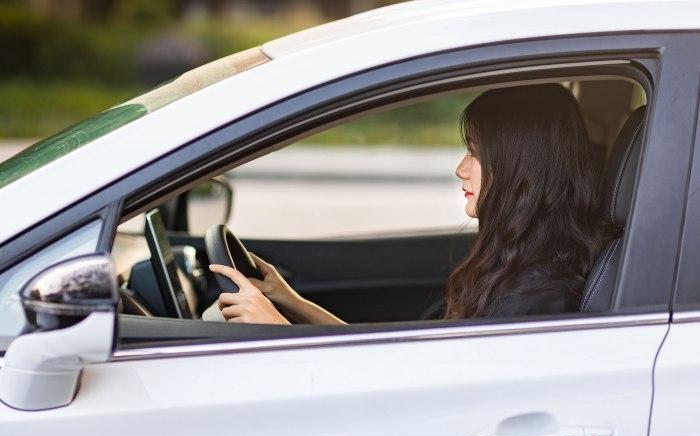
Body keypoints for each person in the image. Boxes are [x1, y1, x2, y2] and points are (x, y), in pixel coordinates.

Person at [208, 83, 608, 324]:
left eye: (476, 153)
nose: (460, 169)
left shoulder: (532, 296)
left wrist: (278, 329)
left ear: (521, 166)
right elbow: (401, 363)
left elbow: (410, 388)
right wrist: (292, 304)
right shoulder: (522, 263)